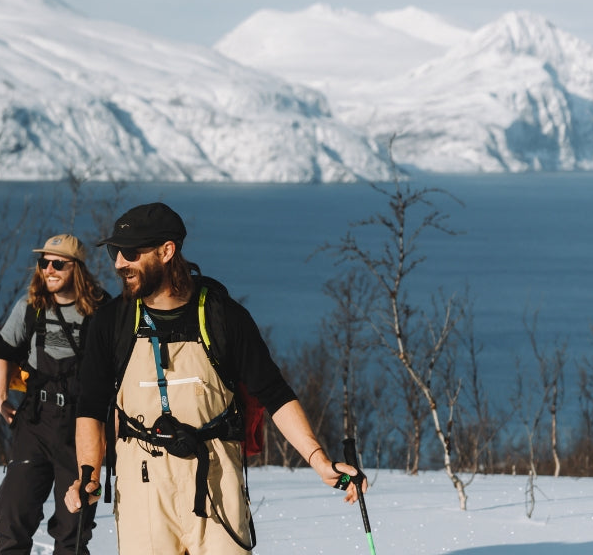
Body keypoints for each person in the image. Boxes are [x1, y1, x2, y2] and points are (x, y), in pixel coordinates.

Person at [64, 203, 368, 554]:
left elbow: (275, 393)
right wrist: (88, 474)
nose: (118, 264)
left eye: (130, 253)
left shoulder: (223, 316)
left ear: (166, 251)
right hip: (141, 482)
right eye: (116, 252)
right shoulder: (110, 323)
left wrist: (319, 461)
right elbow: (91, 405)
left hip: (215, 477)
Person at [0, 233, 108, 555]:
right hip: (35, 421)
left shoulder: (103, 310)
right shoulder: (31, 307)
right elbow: (4, 349)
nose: (49, 269)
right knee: (13, 514)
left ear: (78, 269)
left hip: (81, 429)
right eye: (44, 262)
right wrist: (1, 398)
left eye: (58, 263)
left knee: (74, 526)